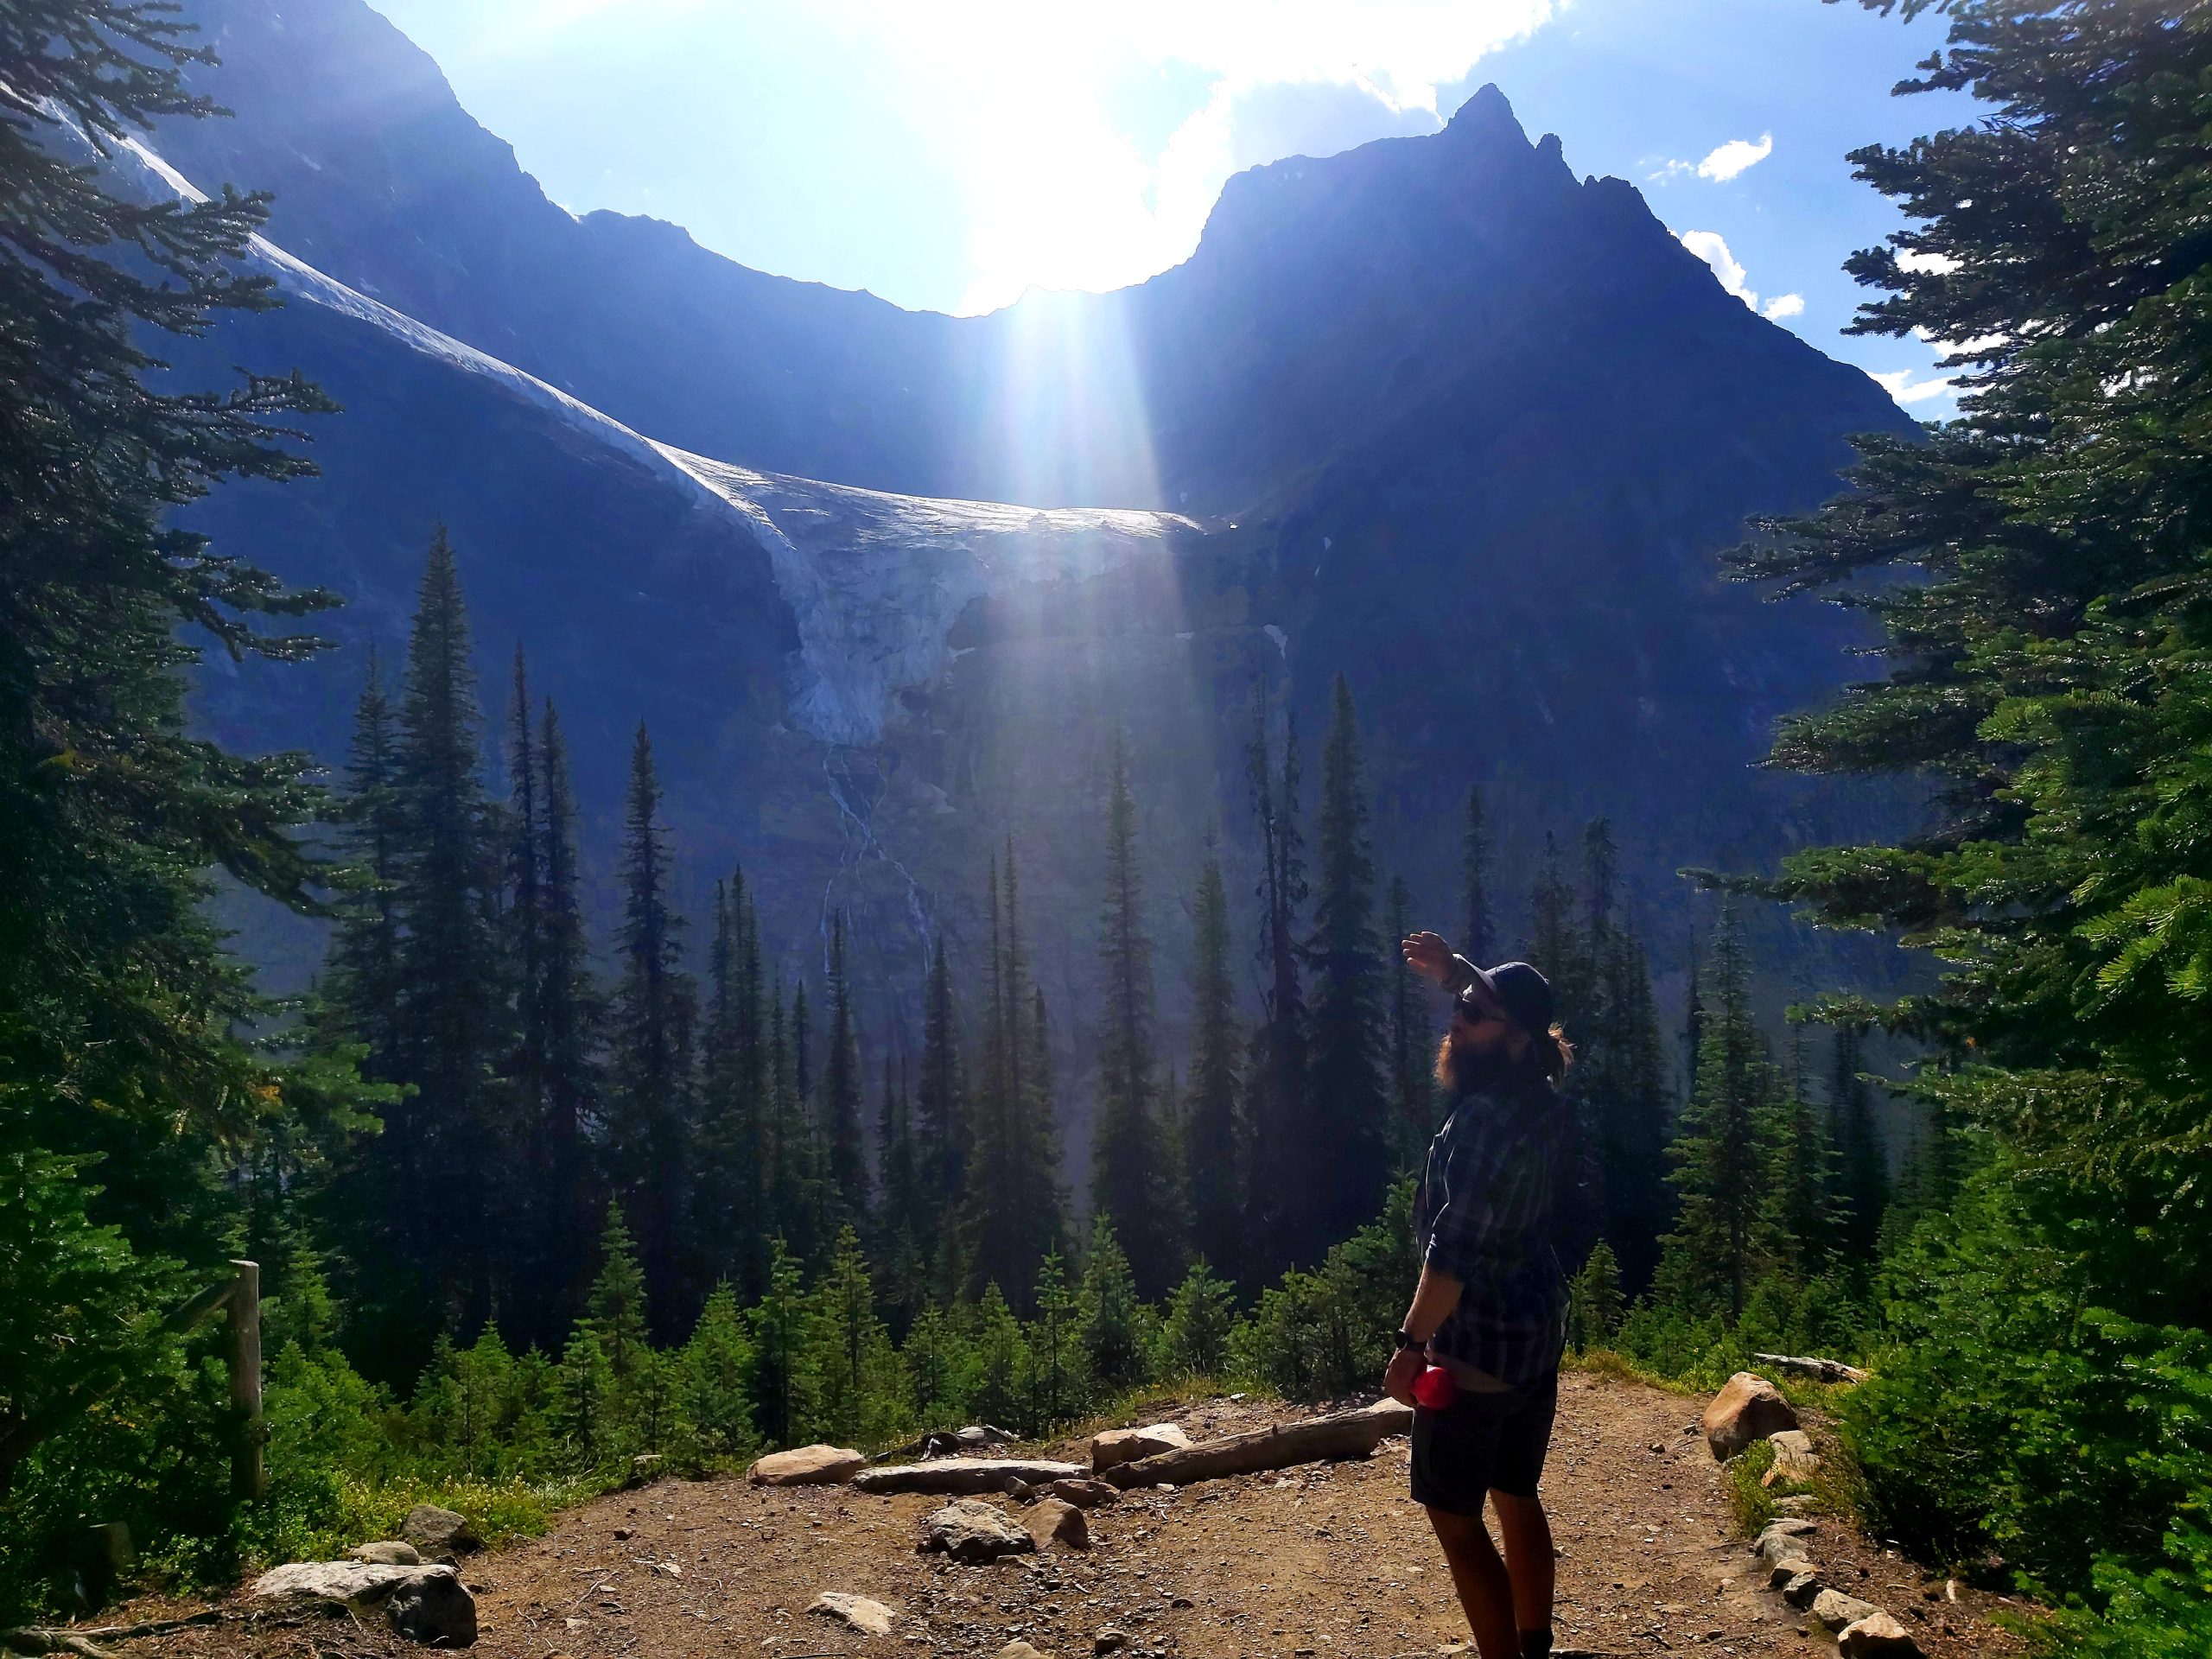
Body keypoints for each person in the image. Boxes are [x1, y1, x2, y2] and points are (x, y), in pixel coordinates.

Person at [1384, 930, 1573, 1659]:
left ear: (1515, 1039)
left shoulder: (1484, 1123)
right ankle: (1533, 1645)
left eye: (1472, 1014)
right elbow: (1515, 1014)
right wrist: (1459, 970)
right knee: (1516, 1493)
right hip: (1534, 1335)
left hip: (1475, 1346)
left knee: (1455, 1518)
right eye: (1459, 1006)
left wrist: (1408, 1347)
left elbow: (1452, 1254)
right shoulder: (1540, 1096)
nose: (1456, 1022)